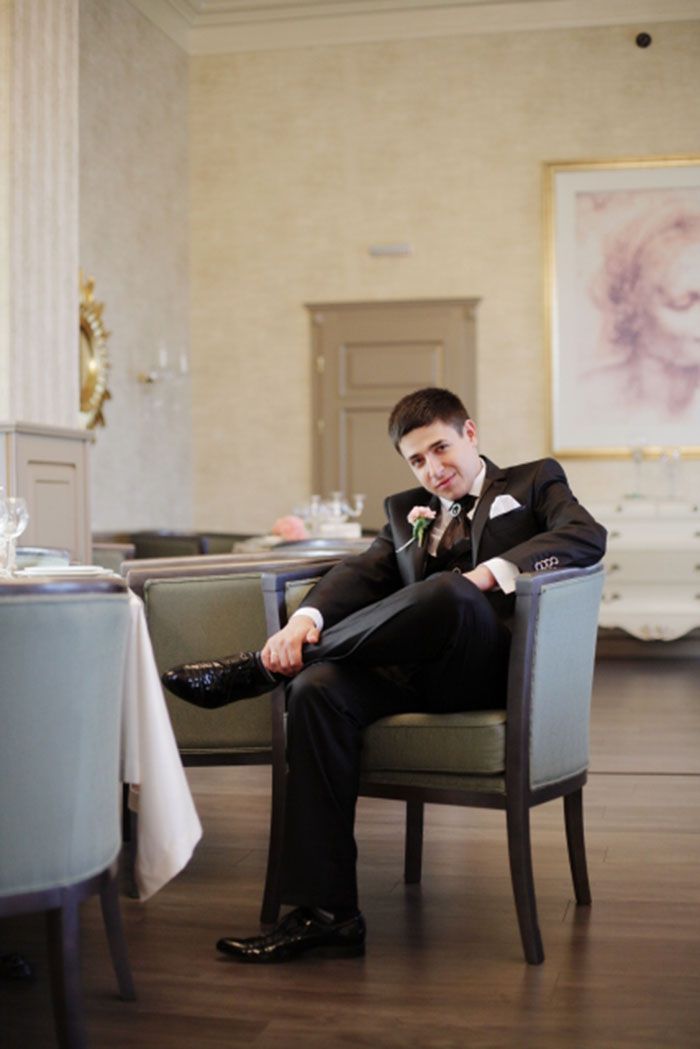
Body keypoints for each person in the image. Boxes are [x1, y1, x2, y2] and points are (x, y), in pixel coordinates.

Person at [163, 387, 606, 964]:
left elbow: (585, 535)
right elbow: (359, 574)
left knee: (449, 590)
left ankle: (255, 671)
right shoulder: (404, 511)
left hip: (491, 671)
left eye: (441, 449)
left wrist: (486, 576)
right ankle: (328, 915)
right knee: (316, 691)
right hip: (411, 673)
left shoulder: (533, 482)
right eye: (417, 460)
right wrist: (302, 623)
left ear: (470, 434)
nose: (433, 470)